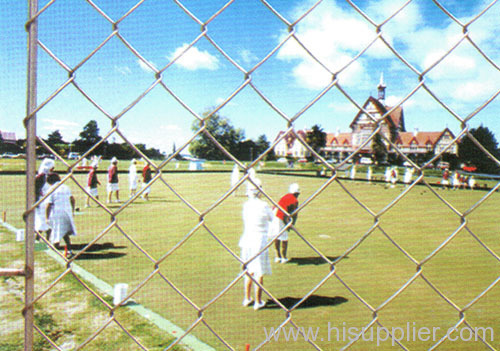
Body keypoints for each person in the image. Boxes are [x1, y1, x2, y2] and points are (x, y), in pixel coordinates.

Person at [239, 178, 273, 310]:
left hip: (247, 239)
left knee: (249, 270)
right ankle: (258, 301)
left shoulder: (246, 205)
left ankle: (247, 298)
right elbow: (272, 219)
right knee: (258, 272)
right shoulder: (264, 205)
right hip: (259, 240)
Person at [45, 173, 77, 258]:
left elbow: (48, 205)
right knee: (64, 232)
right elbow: (73, 199)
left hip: (57, 212)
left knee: (54, 231)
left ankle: (51, 249)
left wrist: (46, 217)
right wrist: (72, 211)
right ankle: (69, 249)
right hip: (67, 212)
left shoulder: (51, 189)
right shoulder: (66, 187)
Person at [269, 183, 300, 264]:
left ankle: (277, 256)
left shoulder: (285, 196)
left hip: (274, 215)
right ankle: (284, 257)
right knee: (284, 238)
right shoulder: (294, 200)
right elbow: (293, 214)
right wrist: (289, 225)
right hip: (280, 217)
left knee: (276, 236)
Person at [35, 158, 55, 240]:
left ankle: (46, 239)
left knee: (48, 221)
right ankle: (39, 240)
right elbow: (36, 190)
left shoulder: (48, 176)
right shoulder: (41, 177)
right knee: (44, 221)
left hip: (48, 200)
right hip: (43, 201)